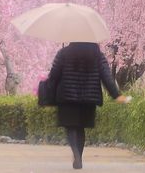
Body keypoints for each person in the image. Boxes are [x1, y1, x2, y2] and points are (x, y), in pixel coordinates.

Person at [44, 40, 130, 169]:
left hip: (67, 96)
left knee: (71, 127)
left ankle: (76, 155)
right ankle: (79, 157)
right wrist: (116, 95)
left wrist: (48, 90)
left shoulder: (63, 53)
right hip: (89, 97)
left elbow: (54, 75)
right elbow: (106, 76)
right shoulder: (97, 55)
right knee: (80, 127)